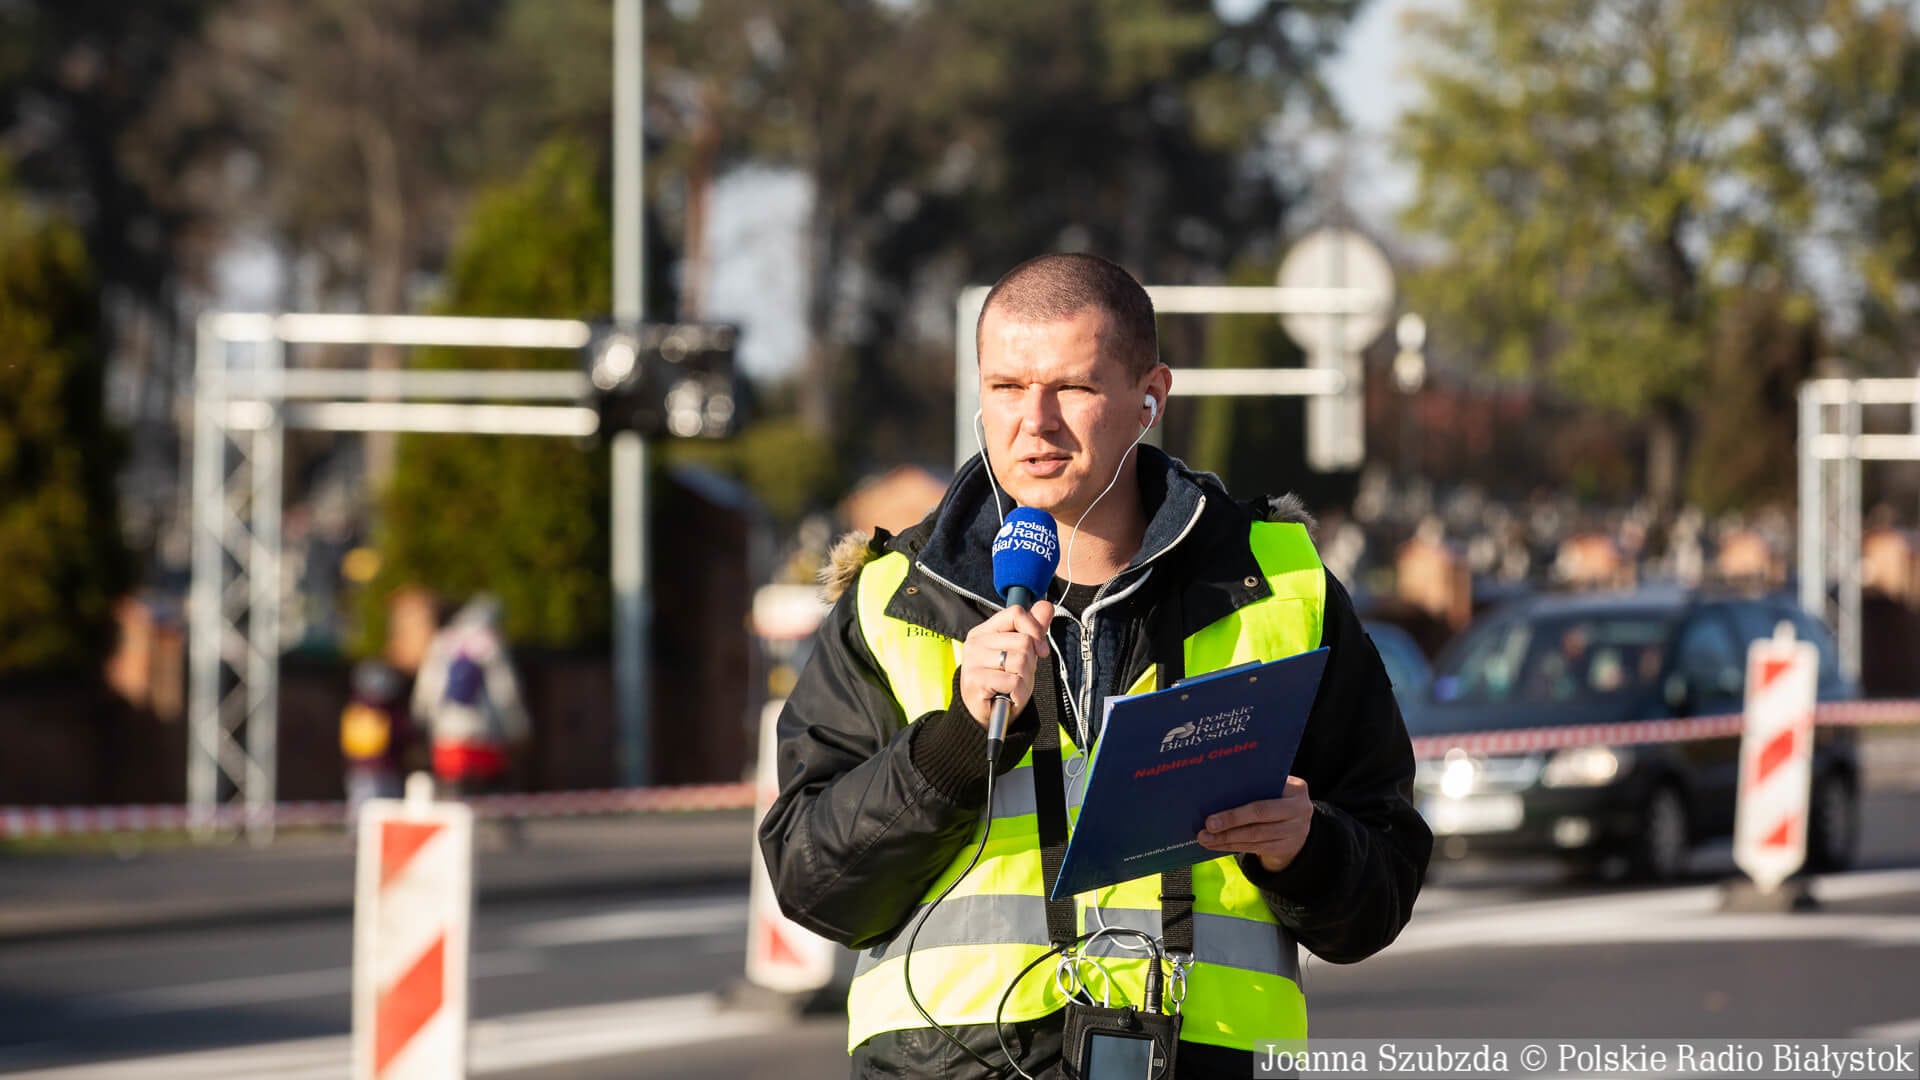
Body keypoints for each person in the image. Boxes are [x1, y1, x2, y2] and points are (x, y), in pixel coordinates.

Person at [759, 253, 1432, 1078]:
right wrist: (955, 745)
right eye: (1005, 387)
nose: (1033, 422)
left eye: (1071, 388)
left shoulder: (1280, 587)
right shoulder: (893, 600)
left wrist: (1309, 848)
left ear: (1151, 396)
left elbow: (1383, 880)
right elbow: (812, 883)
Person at [411, 594, 530, 801]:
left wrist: (422, 719)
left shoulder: (443, 640)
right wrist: (517, 726)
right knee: (489, 794)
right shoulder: (490, 642)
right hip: (485, 730)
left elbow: (428, 687)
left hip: (446, 730)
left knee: (452, 795)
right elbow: (505, 691)